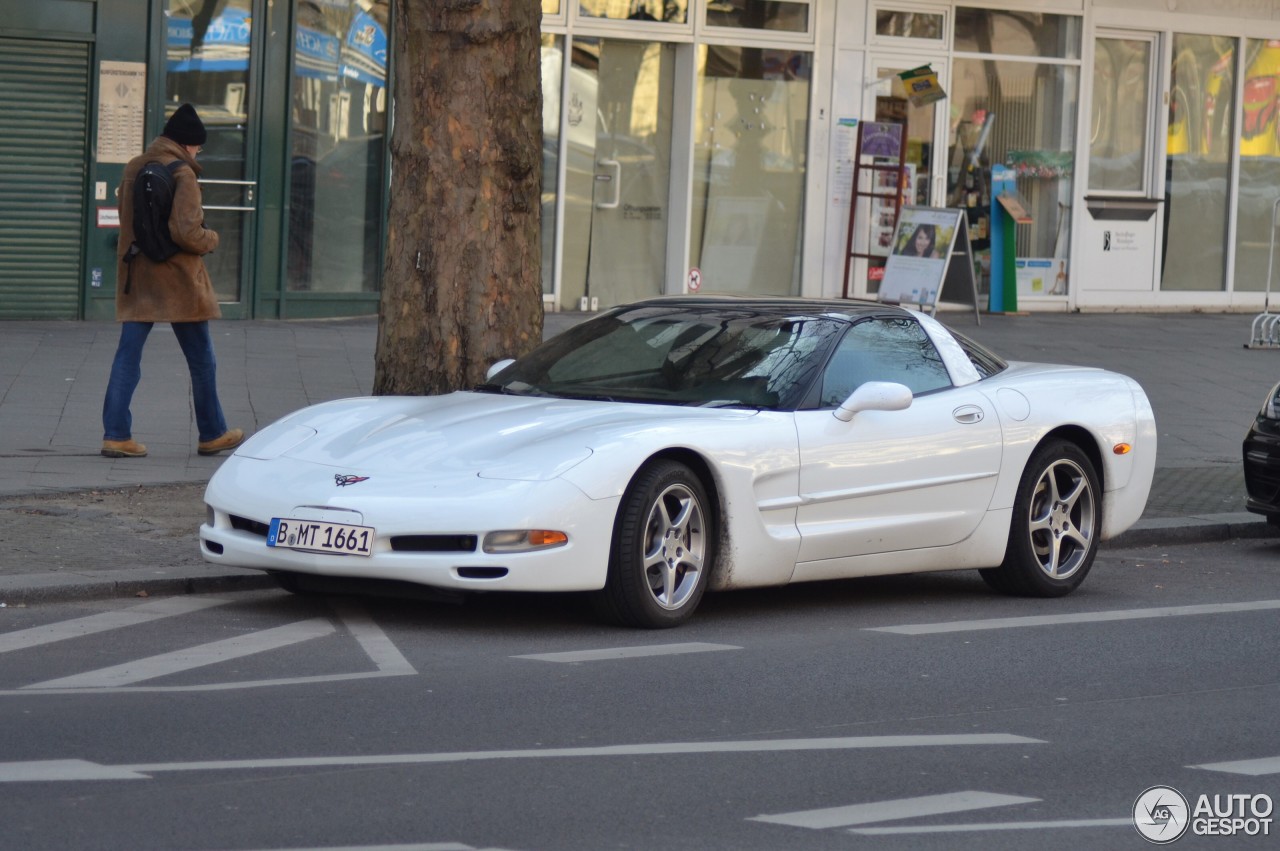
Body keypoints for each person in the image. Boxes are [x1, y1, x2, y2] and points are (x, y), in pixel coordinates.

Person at [101, 103, 245, 459]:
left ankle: (116, 435)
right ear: (187, 144)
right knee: (201, 360)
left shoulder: (135, 166)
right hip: (179, 282)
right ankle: (212, 433)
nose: (198, 152)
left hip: (138, 276)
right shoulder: (183, 174)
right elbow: (187, 232)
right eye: (198, 146)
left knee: (127, 356)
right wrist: (212, 239)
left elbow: (127, 221)